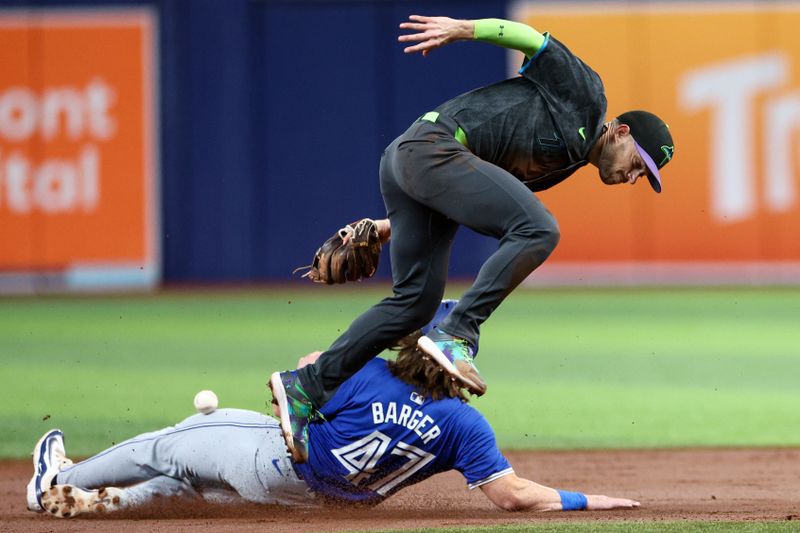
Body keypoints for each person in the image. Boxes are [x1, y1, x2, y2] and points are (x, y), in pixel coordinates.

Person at [272, 13, 676, 463]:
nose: (635, 176)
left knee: (414, 303)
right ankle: (457, 334)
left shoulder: (562, 163)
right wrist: (461, 29)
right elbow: (531, 41)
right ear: (620, 132)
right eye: (639, 163)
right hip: (433, 147)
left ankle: (305, 388)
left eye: (644, 175)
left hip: (416, 164)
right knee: (540, 229)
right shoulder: (586, 98)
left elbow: (467, 196)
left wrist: (387, 228)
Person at [27, 303, 639, 519]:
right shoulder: (465, 426)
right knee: (188, 490)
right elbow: (511, 497)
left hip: (281, 465)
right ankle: (91, 506)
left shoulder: (368, 370)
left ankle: (56, 483)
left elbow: (309, 363)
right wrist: (589, 500)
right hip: (326, 504)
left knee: (185, 437)